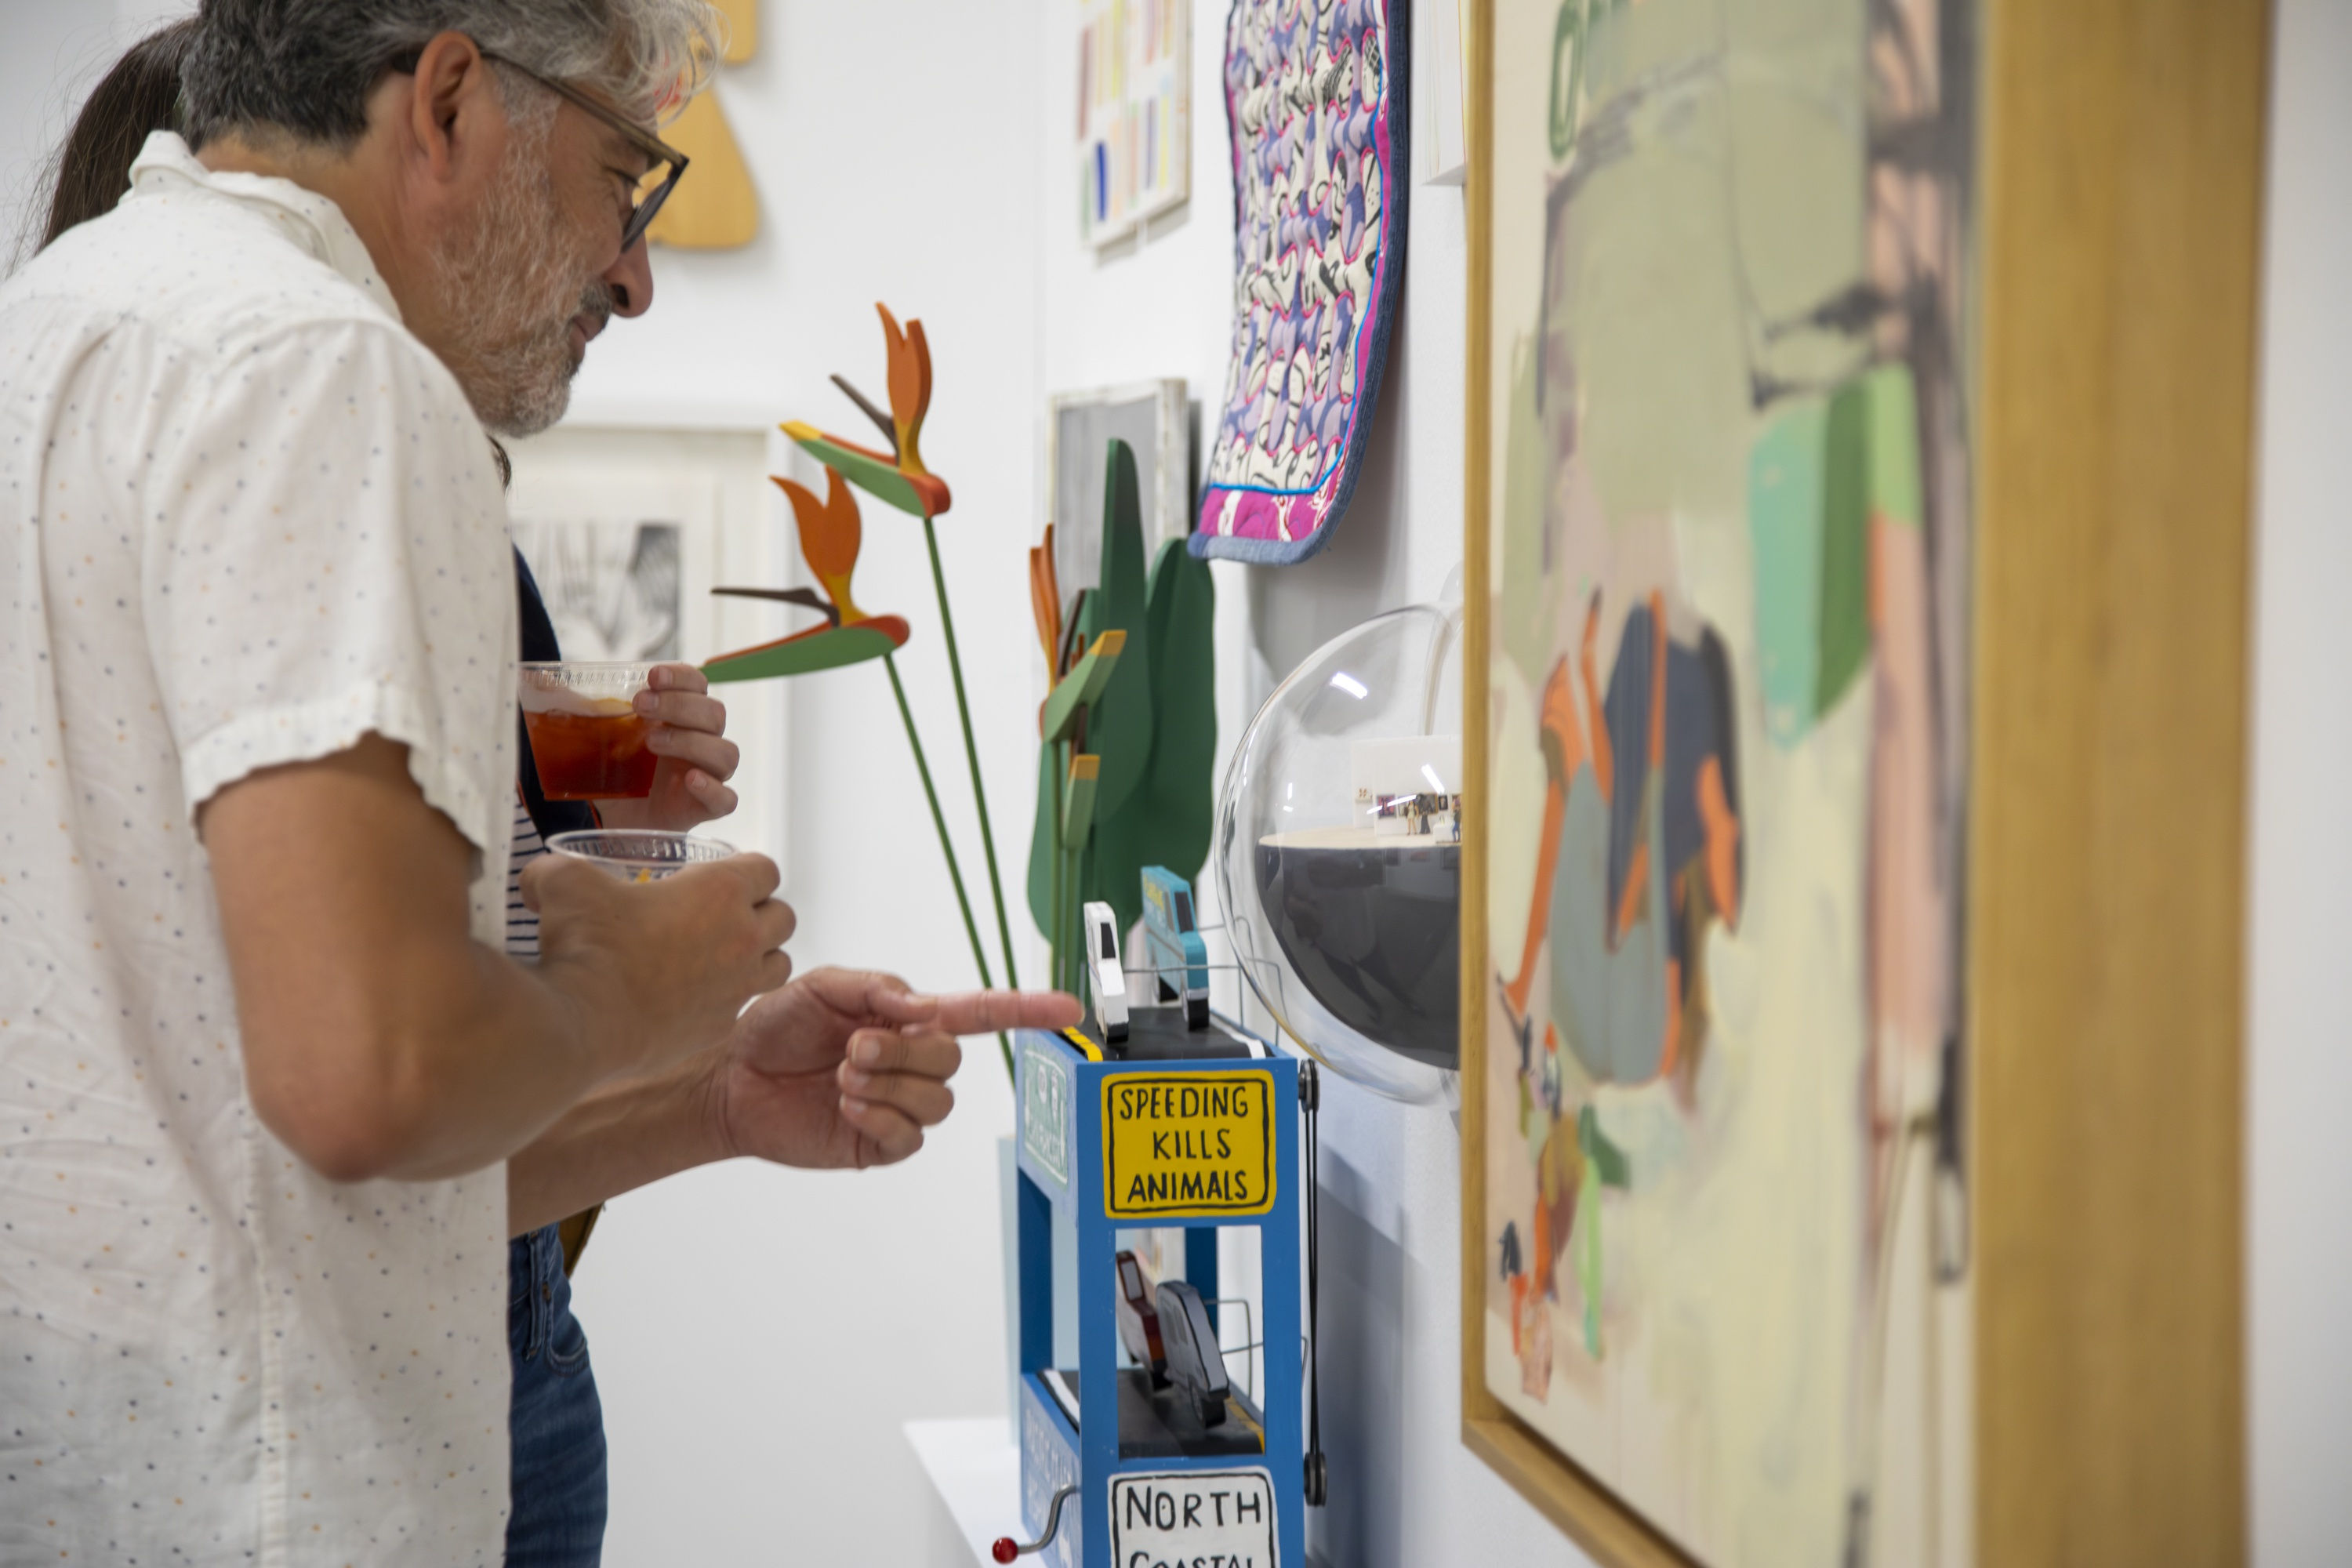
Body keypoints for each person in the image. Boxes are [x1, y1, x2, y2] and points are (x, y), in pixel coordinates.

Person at [0, 4, 1077, 1565]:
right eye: (622, 176)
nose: (633, 270)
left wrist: (707, 1094)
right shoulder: (325, 370)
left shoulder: (58, 327)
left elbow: (272, 1163)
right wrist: (616, 994)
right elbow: (367, 1079)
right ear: (447, 102)